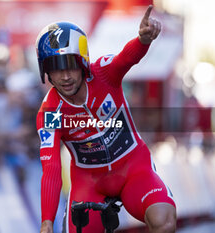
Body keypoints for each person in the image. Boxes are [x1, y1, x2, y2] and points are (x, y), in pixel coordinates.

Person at [35, 5, 176, 233]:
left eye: (71, 65)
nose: (66, 76)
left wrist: (143, 40)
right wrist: (46, 222)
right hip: (90, 183)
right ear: (45, 72)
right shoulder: (50, 112)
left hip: (133, 169)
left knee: (164, 222)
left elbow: (125, 59)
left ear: (83, 62)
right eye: (56, 69)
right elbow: (50, 168)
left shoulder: (103, 73)